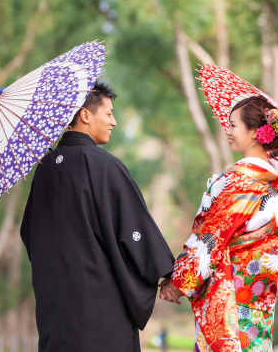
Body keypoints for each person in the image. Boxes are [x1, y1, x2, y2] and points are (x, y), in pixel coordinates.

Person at [20, 80, 174, 352]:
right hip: (100, 312)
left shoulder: (43, 171)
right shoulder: (104, 166)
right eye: (109, 113)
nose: (113, 121)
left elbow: (29, 233)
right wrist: (166, 273)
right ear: (85, 115)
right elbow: (134, 231)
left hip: (55, 312)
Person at [159, 95, 278, 352]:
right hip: (259, 303)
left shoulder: (242, 183)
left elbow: (210, 241)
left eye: (233, 125)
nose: (227, 131)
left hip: (229, 303)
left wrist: (177, 283)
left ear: (256, 132)